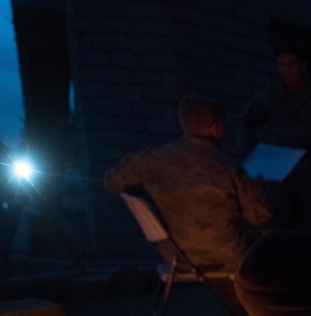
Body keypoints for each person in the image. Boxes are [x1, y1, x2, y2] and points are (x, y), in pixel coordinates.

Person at [105, 93, 271, 274]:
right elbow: (260, 217)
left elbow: (111, 182)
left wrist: (146, 194)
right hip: (230, 259)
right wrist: (259, 186)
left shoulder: (151, 161)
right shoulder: (230, 169)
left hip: (179, 260)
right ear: (215, 127)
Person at [239, 40, 311, 236]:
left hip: (310, 176)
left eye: (291, 64)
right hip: (276, 176)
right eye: (282, 65)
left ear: (302, 65)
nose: (287, 70)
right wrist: (253, 160)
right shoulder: (269, 96)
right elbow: (245, 124)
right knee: (277, 229)